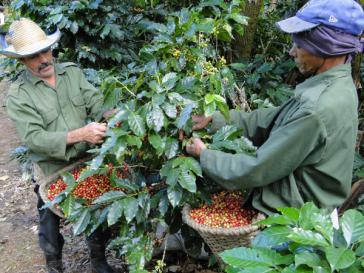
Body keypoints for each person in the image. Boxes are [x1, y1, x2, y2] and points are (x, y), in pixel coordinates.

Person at [186, 0, 364, 215]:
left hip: (295, 223)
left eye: (299, 45)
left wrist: (204, 155)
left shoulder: (317, 107)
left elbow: (258, 168)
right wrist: (216, 120)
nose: (292, 52)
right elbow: (273, 119)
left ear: (326, 46)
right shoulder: (336, 84)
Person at [2, 18, 116, 273]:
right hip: (51, 167)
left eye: (45, 50)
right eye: (33, 56)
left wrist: (112, 113)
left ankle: (99, 260)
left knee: (95, 209)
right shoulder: (19, 95)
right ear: (21, 60)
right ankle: (54, 264)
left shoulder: (71, 72)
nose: (43, 59)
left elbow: (95, 102)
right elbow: (34, 138)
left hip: (85, 160)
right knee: (49, 220)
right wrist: (79, 134)